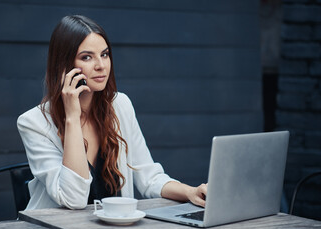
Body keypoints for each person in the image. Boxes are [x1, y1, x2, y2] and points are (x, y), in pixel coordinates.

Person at [17, 15, 207, 210]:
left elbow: (150, 177)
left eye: (105, 54)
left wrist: (190, 192)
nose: (101, 65)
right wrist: (72, 118)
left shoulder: (120, 106)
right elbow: (73, 199)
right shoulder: (33, 123)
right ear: (64, 65)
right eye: (87, 57)